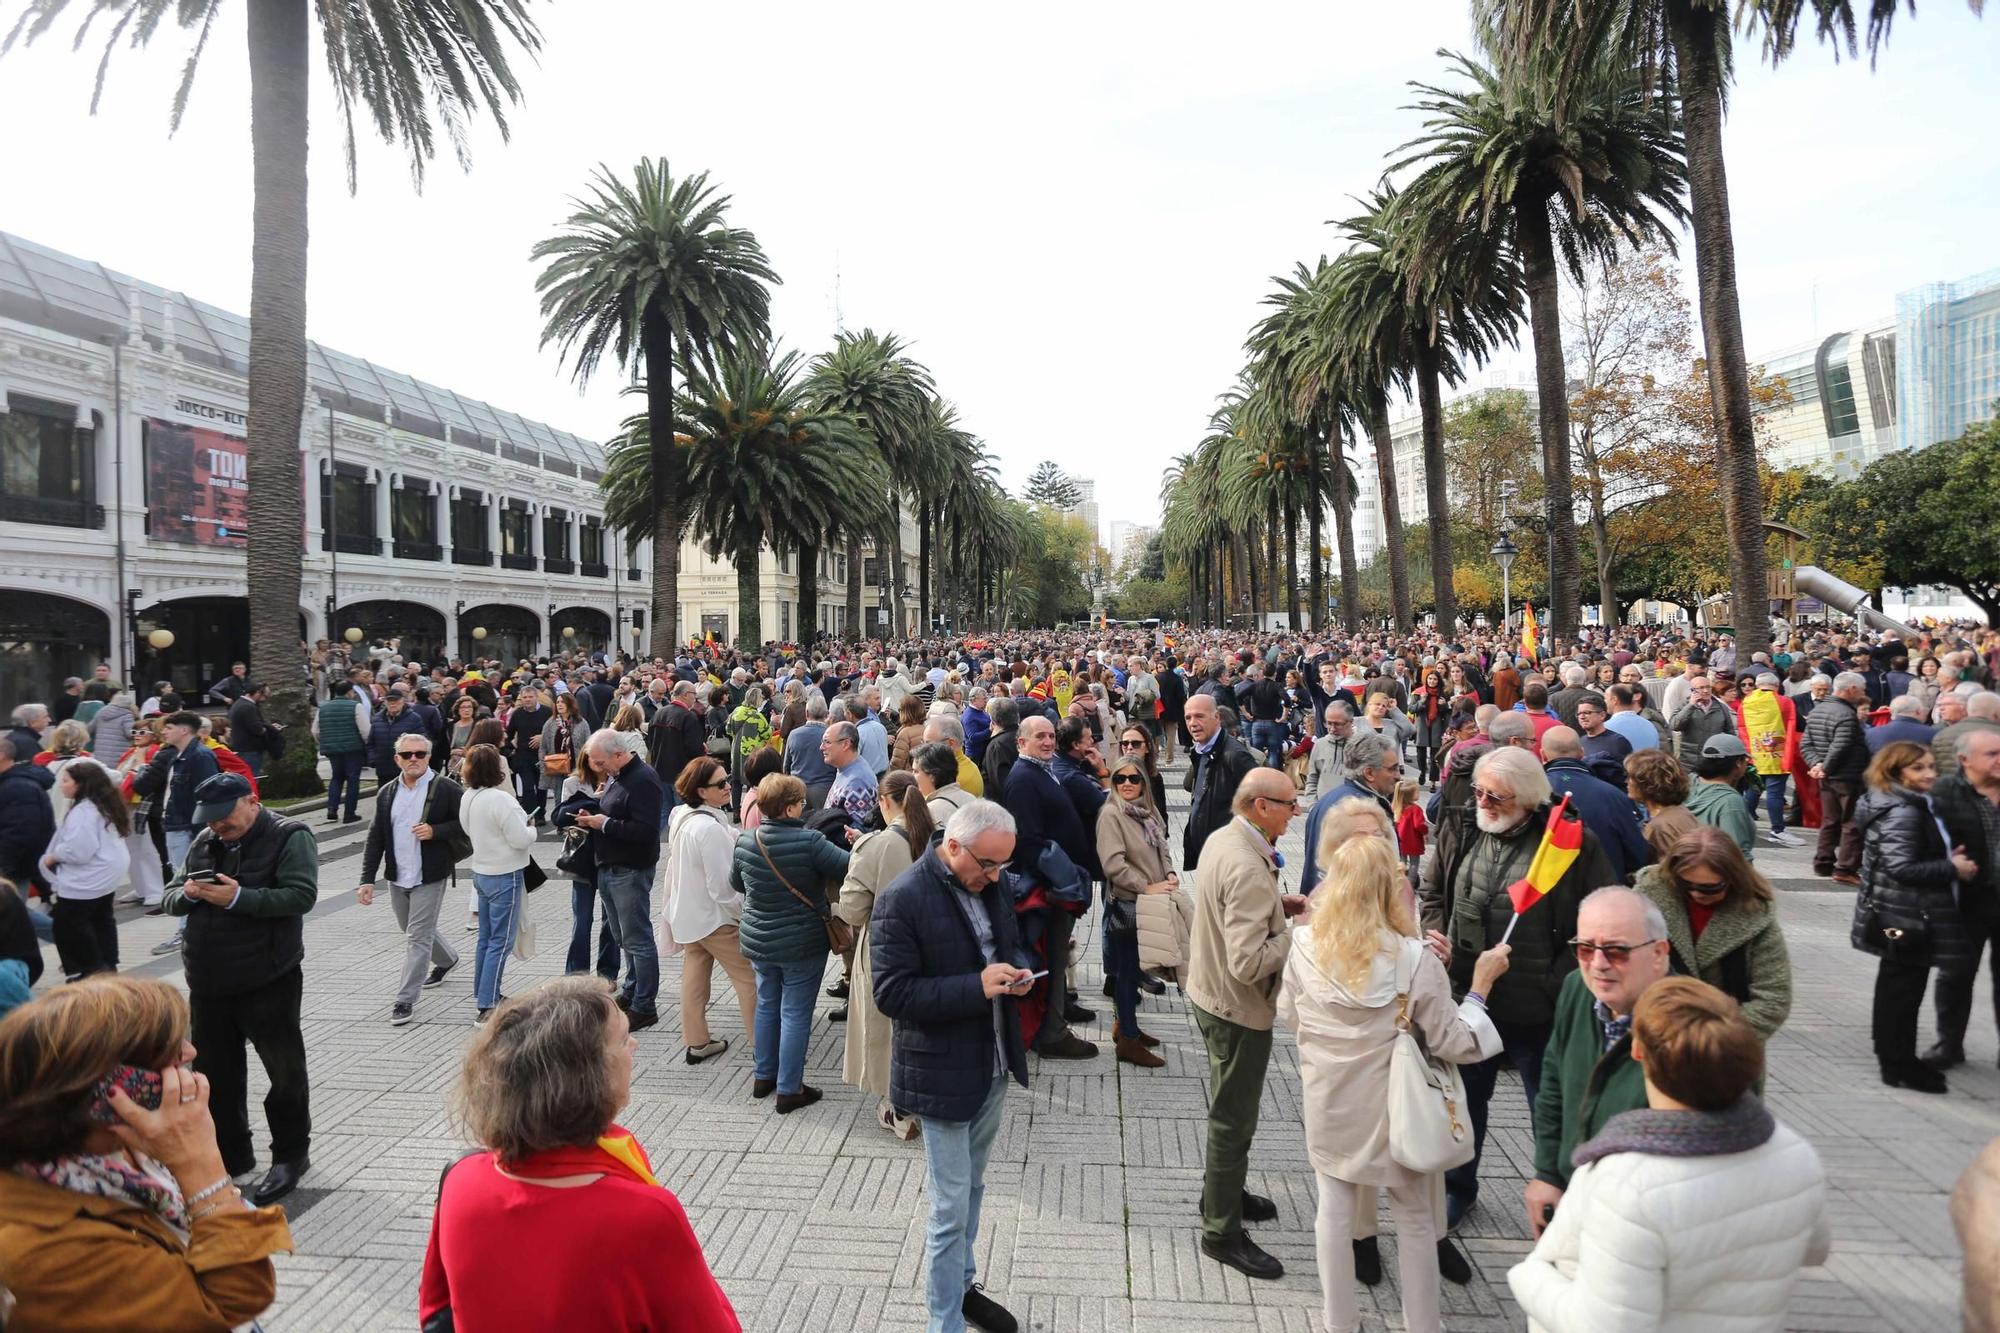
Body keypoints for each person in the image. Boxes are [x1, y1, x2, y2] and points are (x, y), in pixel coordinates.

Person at [1279, 834, 1511, 1333]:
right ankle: (1423, 1324)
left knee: (1335, 1210)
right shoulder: (1414, 957)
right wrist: (1480, 989)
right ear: (1390, 888)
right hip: (1398, 1101)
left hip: (1330, 1095)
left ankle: (1339, 1322)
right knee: (1413, 1217)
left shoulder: (1302, 944)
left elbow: (1288, 1014)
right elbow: (1455, 1042)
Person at [1509, 977, 1830, 1332]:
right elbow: (1815, 1248)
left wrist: (1528, 1273)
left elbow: (1603, 1326)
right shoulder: (1794, 1151)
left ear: (1637, 1052)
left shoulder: (1627, 1182)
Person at [418, 977, 739, 1331]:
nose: (633, 1046)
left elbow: (436, 1307)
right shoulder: (643, 1216)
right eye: (621, 1039)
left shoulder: (460, 1179)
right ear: (588, 1077)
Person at [0, 975, 294, 1331]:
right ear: (107, 1090)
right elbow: (235, 1298)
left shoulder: (109, 1140)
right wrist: (200, 1165)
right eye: (166, 1050)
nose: (189, 1052)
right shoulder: (48, 1251)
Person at [1422, 746, 1617, 1229]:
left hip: (1538, 1009)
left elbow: (1598, 923)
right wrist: (1436, 935)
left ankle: (1561, 1195)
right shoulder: (1463, 826)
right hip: (1469, 1000)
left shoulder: (1570, 843)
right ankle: (1458, 1188)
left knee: (1549, 1108)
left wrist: (1555, 983)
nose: (1484, 802)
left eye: (1497, 796)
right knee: (1464, 1105)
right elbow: (1431, 892)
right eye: (1480, 791)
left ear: (1529, 800)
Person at [872, 799, 1035, 1333]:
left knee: (973, 1188)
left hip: (991, 1059)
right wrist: (976, 987)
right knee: (949, 1209)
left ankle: (963, 1287)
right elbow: (892, 994)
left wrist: (1020, 971)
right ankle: (945, 1323)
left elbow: (1008, 942)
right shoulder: (903, 897)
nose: (994, 877)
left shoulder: (990, 881)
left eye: (1002, 866)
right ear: (953, 846)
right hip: (940, 1071)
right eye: (987, 865)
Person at [159, 771, 319, 1206]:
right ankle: (231, 1154)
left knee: (284, 1072)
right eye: (210, 819)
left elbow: (300, 896)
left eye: (225, 816)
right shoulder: (205, 840)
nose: (217, 826)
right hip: (208, 980)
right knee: (214, 1076)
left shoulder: (290, 835)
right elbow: (169, 894)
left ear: (252, 801)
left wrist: (236, 897)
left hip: (269, 975)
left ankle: (290, 1155)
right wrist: (189, 892)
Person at [1189, 767, 1310, 1281]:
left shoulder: (1227, 836)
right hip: (1235, 1006)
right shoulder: (1244, 859)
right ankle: (1221, 1231)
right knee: (1233, 1120)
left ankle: (1222, 1192)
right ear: (1261, 806)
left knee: (1228, 1107)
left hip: (1210, 992)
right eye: (1288, 803)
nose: (1296, 811)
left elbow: (1226, 909)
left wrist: (1277, 910)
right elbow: (1248, 962)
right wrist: (1299, 932)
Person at [1524, 886, 1672, 1239]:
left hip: (1642, 1221)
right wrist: (1546, 1173)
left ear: (1658, 953)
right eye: (1585, 949)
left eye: (1617, 951)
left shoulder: (1696, 1026)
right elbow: (1554, 1084)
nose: (1598, 964)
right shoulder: (1577, 988)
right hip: (1572, 1196)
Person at [1853, 740, 1978, 1093]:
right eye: (1918, 768)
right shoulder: (1903, 809)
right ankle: (1898, 1063)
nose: (1929, 774)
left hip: (1902, 910)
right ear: (1896, 772)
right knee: (1903, 993)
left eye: (1930, 767)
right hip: (1907, 914)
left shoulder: (1901, 802)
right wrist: (1951, 867)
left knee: (1897, 990)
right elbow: (1902, 866)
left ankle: (1896, 1061)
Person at [734, 773, 849, 1113]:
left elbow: (737, 884)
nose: (803, 808)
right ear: (788, 808)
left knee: (768, 1003)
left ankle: (763, 1075)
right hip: (801, 940)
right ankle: (788, 1088)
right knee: (796, 1012)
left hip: (758, 938)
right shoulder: (810, 841)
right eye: (800, 803)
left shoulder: (746, 840)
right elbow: (847, 868)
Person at [838, 769, 935, 1137]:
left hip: (886, 948)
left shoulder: (876, 846)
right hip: (934, 945)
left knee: (886, 1029)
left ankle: (899, 1108)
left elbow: (852, 910)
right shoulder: (936, 838)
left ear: (884, 801)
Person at [1634, 824, 1793, 1041]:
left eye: (1709, 888)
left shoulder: (1757, 916)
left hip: (1725, 1055)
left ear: (1733, 879)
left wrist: (1709, 1037)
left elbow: (1774, 998)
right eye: (1685, 884)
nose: (1696, 893)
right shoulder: (1646, 898)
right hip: (1651, 1041)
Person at [1000, 715, 1098, 1060]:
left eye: (1050, 736)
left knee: (1057, 955)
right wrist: (1064, 877)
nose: (1047, 741)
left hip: (1058, 886)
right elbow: (1027, 841)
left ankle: (1056, 1014)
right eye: (1039, 736)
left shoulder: (1041, 769)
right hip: (1050, 890)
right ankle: (1052, 1033)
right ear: (1021, 742)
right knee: (1053, 958)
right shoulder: (1024, 779)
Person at [354, 733, 464, 1026]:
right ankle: (447, 959)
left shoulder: (446, 789)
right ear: (396, 759)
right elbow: (375, 837)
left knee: (417, 936)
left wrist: (436, 831)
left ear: (429, 757)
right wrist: (366, 880)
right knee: (414, 929)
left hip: (430, 874)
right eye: (406, 755)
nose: (413, 759)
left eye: (419, 753)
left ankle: (405, 999)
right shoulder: (387, 792)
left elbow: (467, 825)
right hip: (397, 876)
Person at [660, 756, 754, 1065]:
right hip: (714, 918)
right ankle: (763, 1046)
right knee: (749, 980)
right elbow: (723, 888)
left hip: (687, 915)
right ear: (701, 791)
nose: (729, 786)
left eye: (728, 780)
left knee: (694, 980)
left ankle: (697, 1041)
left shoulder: (682, 815)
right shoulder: (708, 828)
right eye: (721, 784)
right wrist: (743, 914)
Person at [574, 730, 667, 1033]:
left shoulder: (642, 779)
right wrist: (597, 814)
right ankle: (632, 989)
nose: (597, 768)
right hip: (611, 866)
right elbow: (616, 809)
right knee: (622, 935)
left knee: (637, 938)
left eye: (601, 762)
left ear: (618, 754)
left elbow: (646, 831)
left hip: (629, 869)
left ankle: (645, 1005)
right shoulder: (618, 775)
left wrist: (606, 823)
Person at [1925, 727, 2000, 1069]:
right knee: (1955, 973)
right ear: (1963, 760)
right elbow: (1924, 842)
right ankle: (1949, 1044)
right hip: (1967, 898)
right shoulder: (1943, 792)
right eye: (1992, 754)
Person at [1096, 755, 1176, 1068]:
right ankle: (1127, 1038)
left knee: (1134, 970)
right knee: (1127, 973)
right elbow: (1114, 865)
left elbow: (1163, 847)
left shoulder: (1148, 809)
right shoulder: (1111, 815)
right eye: (1120, 779)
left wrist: (1168, 873)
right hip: (1129, 903)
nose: (1127, 784)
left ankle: (1126, 1026)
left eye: (1134, 778)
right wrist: (1147, 886)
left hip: (1152, 902)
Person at [458, 743, 535, 1025]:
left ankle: (484, 991)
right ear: (497, 769)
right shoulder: (502, 800)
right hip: (505, 873)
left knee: (486, 938)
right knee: (500, 941)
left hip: (481, 871)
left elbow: (467, 829)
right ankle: (487, 1003)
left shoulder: (468, 796)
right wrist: (532, 829)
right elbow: (519, 838)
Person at [41, 758, 131, 979]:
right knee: (101, 919)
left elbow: (79, 851)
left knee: (70, 924)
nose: (61, 785)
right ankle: (107, 964)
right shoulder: (103, 803)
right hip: (106, 875)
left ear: (80, 784)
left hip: (88, 878)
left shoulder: (84, 811)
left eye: (65, 780)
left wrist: (54, 857)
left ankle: (90, 969)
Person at [1540, 726, 1649, 882]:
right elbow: (1638, 856)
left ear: (1543, 755)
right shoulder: (1615, 796)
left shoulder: (1530, 796)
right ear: (1582, 753)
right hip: (1605, 895)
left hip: (1549, 894)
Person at [1300, 733, 1401, 894]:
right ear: (1369, 773)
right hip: (1351, 912)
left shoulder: (1327, 800)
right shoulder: (1365, 814)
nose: (1398, 776)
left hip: (1321, 906)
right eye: (1392, 769)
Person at [553, 741, 619, 983]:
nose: (601, 764)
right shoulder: (573, 783)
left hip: (609, 857)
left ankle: (607, 975)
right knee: (582, 920)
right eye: (596, 759)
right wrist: (594, 801)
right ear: (586, 759)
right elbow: (562, 821)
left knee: (610, 921)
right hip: (582, 858)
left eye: (604, 759)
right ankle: (576, 975)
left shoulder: (619, 781)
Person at [1802, 670, 1872, 885]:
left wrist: (1816, 764)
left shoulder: (1819, 709)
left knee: (1830, 820)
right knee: (1851, 822)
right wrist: (1824, 767)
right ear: (1850, 689)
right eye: (1861, 690)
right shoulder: (1845, 714)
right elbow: (1840, 745)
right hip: (1846, 776)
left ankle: (1823, 862)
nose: (1862, 693)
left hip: (1829, 776)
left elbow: (1806, 744)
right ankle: (1845, 867)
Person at [1183, 692, 1260, 871]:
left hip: (1230, 861)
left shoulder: (1234, 754)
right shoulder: (1202, 750)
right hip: (1208, 857)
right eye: (1188, 717)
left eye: (1199, 716)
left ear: (1217, 717)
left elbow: (1262, 802)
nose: (1193, 723)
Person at [1686, 733, 1758, 861]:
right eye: (1745, 760)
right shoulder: (1730, 802)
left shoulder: (1688, 783)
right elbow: (1737, 854)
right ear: (1738, 763)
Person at [313, 678, 370, 824]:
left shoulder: (323, 708)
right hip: (353, 749)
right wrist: (368, 744)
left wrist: (326, 742)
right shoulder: (355, 706)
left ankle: (332, 809)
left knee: (336, 777)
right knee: (352, 779)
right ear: (350, 692)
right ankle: (349, 813)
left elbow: (315, 731)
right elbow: (365, 730)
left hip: (332, 750)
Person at [1626, 748, 1699, 861]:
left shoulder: (1660, 827)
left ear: (1647, 784)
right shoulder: (1680, 812)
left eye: (1631, 777)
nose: (1627, 782)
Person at [1668, 673, 1739, 769]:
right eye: (1701, 688)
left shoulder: (1720, 707)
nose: (1705, 691)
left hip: (1714, 759)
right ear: (1693, 690)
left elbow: (1730, 732)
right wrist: (1691, 706)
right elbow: (1675, 725)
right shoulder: (1684, 705)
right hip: (1690, 761)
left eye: (1708, 687)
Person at [223, 683, 281, 780]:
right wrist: (272, 729)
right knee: (251, 779)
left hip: (242, 748)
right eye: (265, 697)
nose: (264, 700)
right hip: (249, 750)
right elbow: (258, 729)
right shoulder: (248, 707)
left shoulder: (239, 703)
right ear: (257, 693)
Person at [1302, 700, 1356, 804]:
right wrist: (1313, 806)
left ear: (1351, 722)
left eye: (1338, 724)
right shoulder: (1319, 745)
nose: (1332, 729)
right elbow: (1312, 779)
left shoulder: (1361, 747)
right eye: (1329, 723)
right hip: (1323, 811)